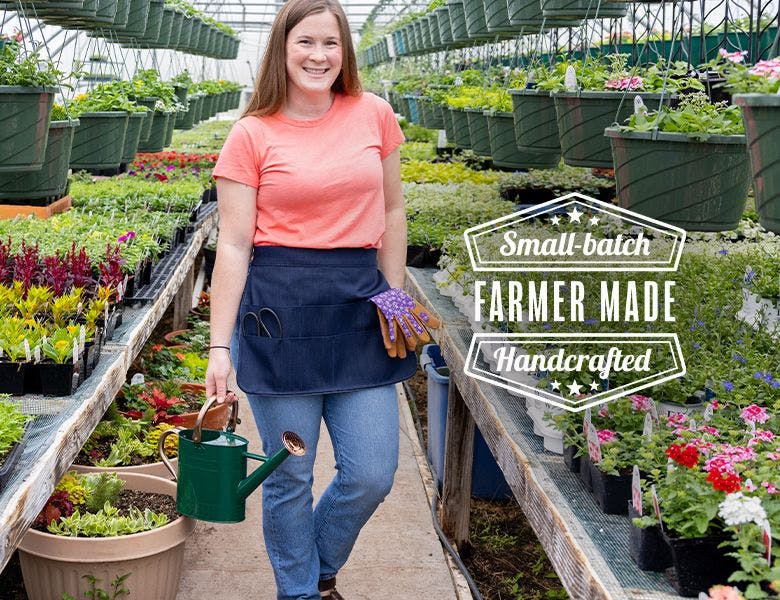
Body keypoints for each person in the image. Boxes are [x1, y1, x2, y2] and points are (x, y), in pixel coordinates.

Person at [205, 0, 440, 598]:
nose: (318, 55)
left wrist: (392, 295)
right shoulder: (251, 134)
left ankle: (319, 567)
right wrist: (217, 347)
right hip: (278, 315)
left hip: (360, 307)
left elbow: (390, 209)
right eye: (305, 42)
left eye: (331, 43)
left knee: (371, 472)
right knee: (290, 474)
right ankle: (302, 591)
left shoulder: (374, 115)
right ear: (281, 50)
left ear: (346, 52)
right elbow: (232, 245)